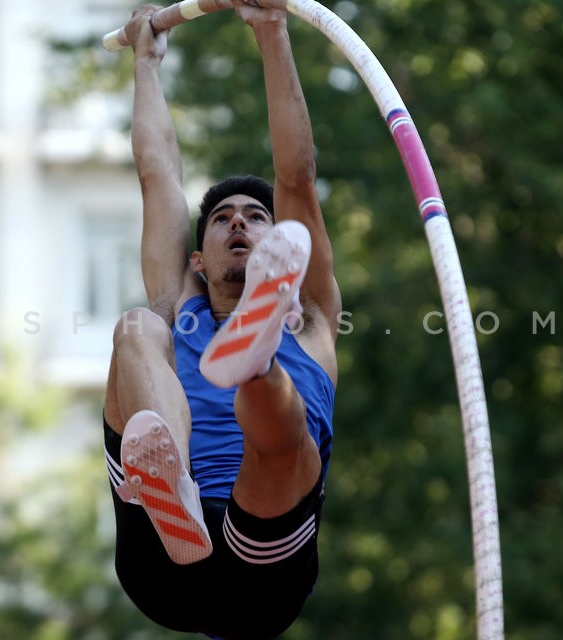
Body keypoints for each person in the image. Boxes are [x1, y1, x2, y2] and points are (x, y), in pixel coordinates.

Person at [102, 2, 341, 638]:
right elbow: (159, 174)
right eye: (221, 217)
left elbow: (296, 172)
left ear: (280, 245)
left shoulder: (312, 318)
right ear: (198, 261)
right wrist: (146, 62)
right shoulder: (176, 302)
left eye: (256, 217)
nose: (238, 220)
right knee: (136, 329)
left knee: (274, 413)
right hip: (164, 550)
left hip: (261, 564)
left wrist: (270, 27)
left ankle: (256, 356)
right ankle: (168, 476)